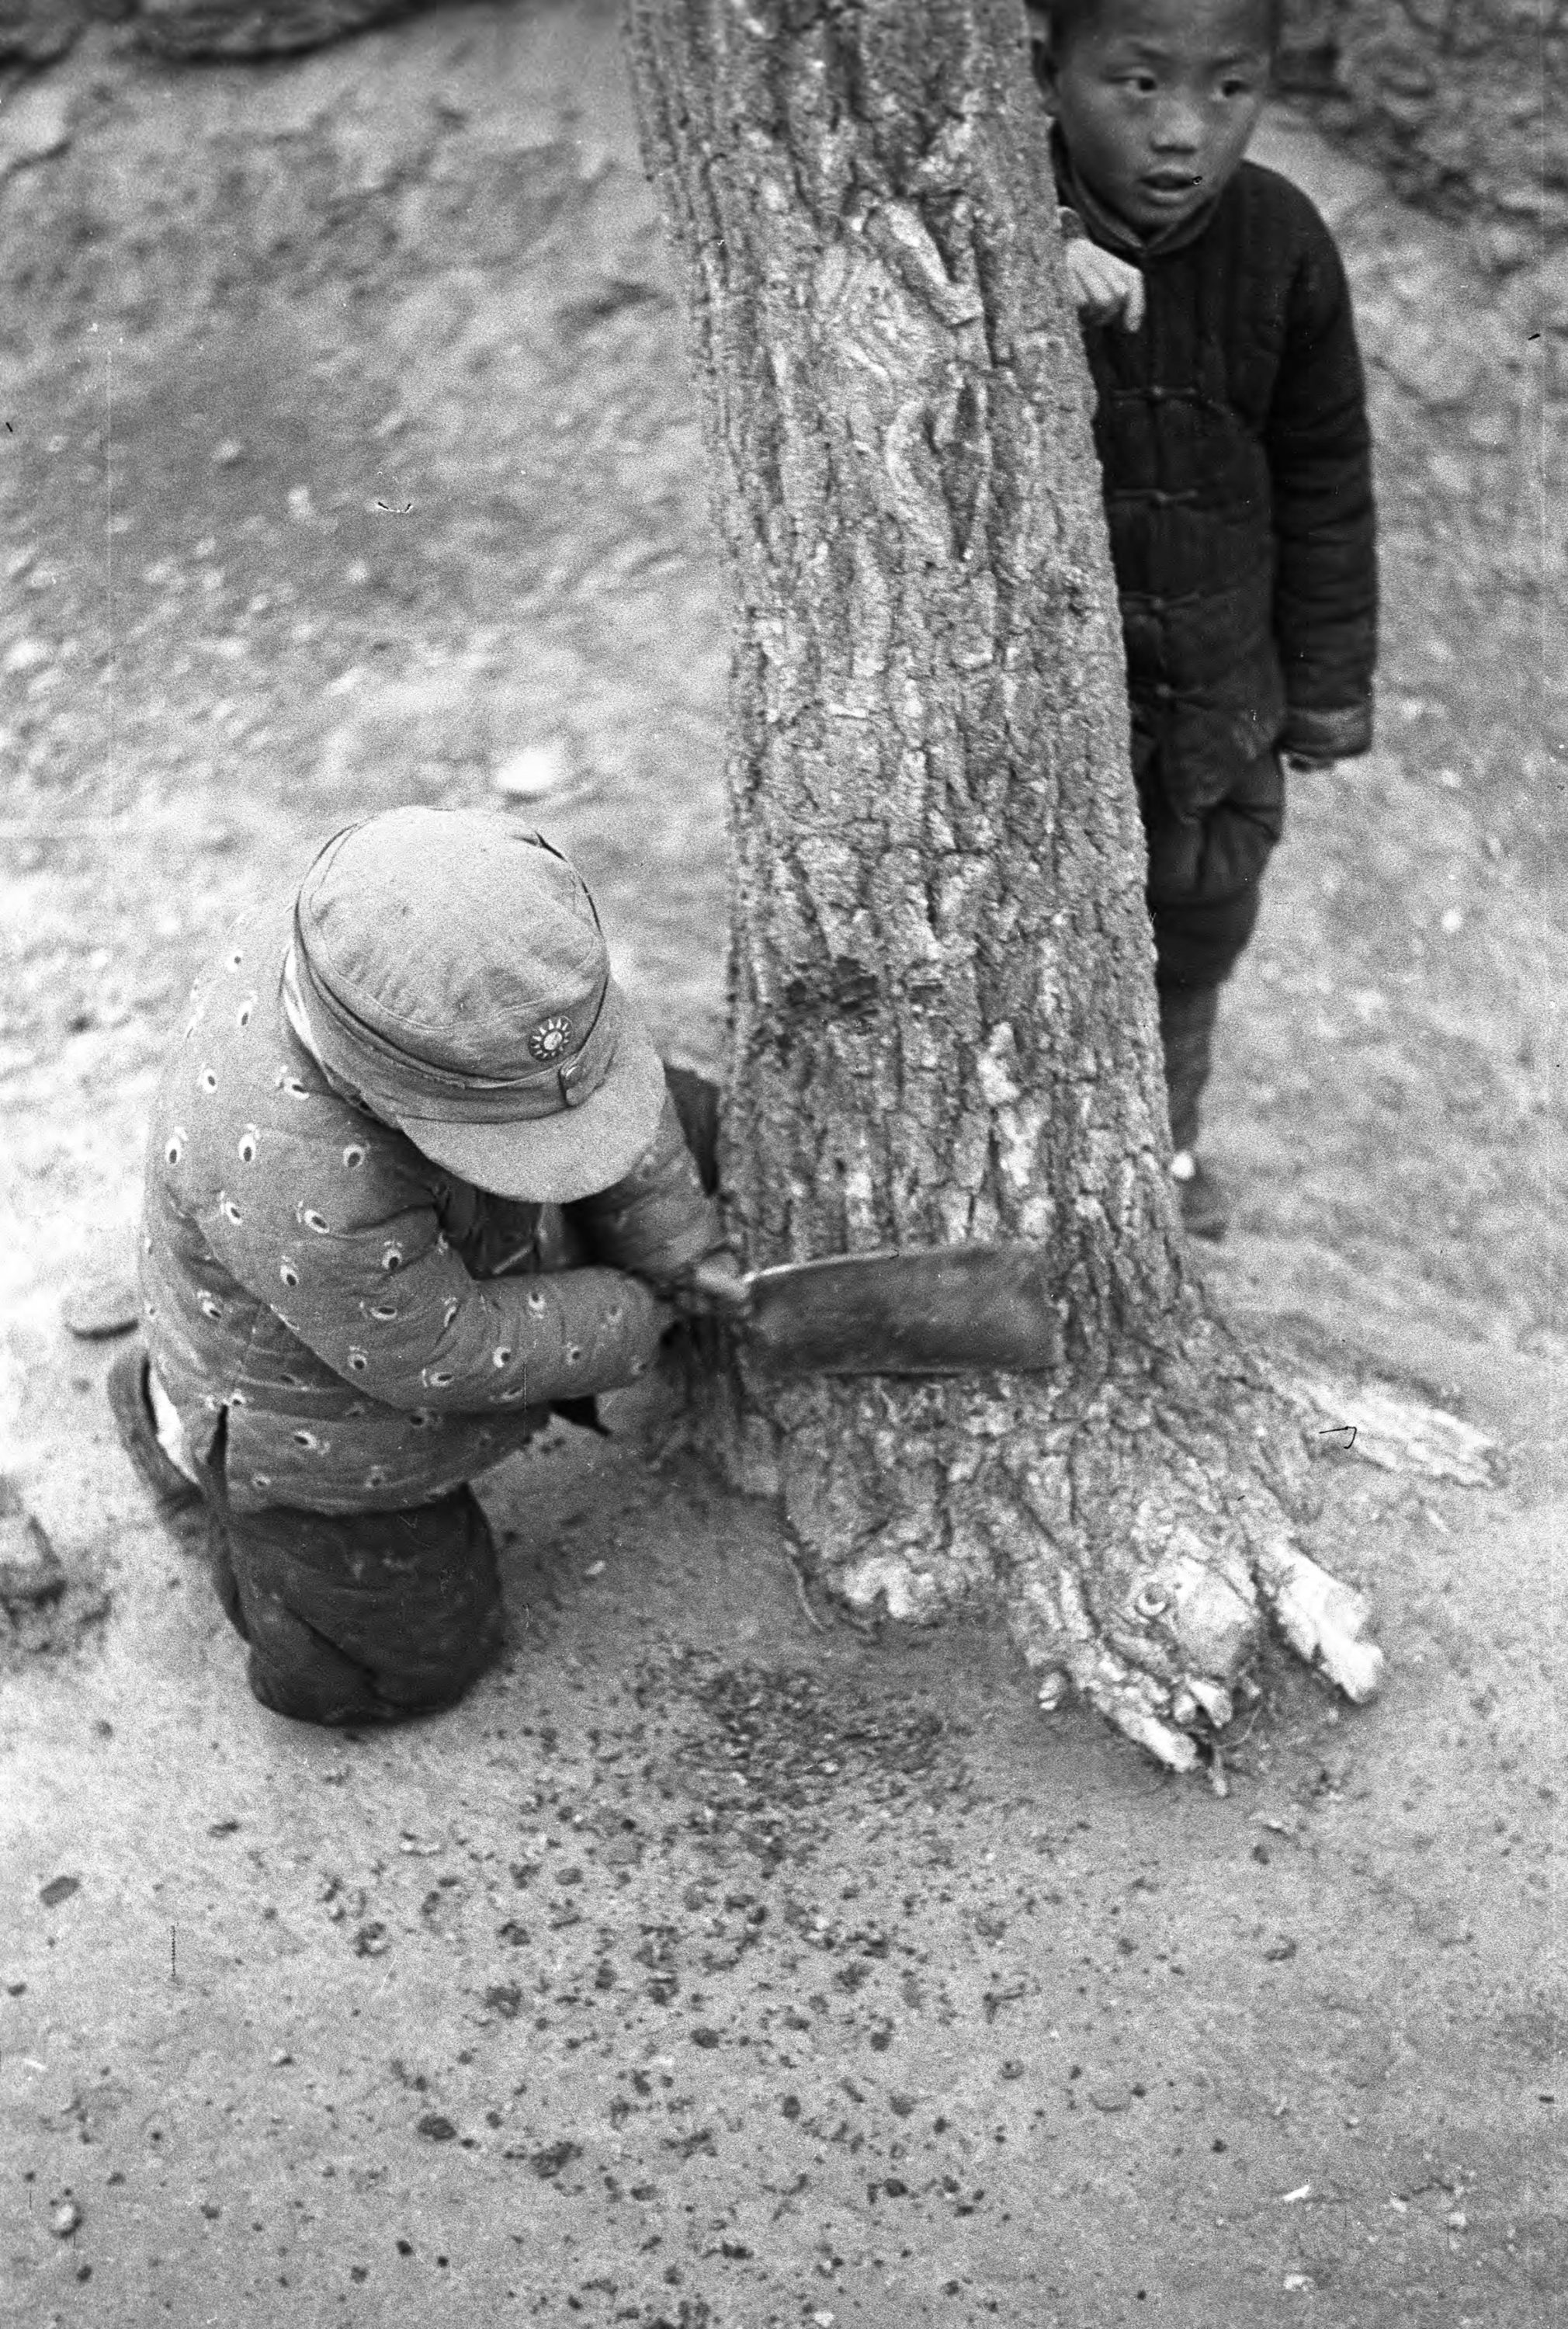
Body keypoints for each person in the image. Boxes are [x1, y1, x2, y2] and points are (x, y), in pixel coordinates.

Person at [109, 806, 746, 1727]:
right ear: (368, 1084)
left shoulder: (513, 971)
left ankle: (552, 1196)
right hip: (318, 1420)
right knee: (404, 1662)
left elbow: (608, 1081)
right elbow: (440, 1351)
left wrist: (681, 1243)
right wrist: (640, 1311)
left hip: (441, 1242)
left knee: (675, 1111)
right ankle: (181, 1433)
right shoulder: (300, 1172)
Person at [1029, 0, 1378, 1236]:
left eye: (1229, 91)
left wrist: (1327, 691)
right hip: (1064, 721)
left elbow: (1326, 472)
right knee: (1048, 948)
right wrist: (1029, 252)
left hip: (1223, 700)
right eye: (1137, 84)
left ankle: (1163, 1152)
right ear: (1048, 67)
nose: (1183, 132)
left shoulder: (1280, 239)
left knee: (1197, 934)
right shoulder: (997, 222)